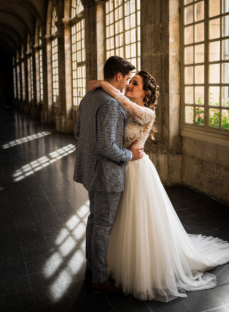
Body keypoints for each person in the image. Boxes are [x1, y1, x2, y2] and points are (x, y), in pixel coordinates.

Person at [88, 70, 229, 302]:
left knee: (137, 219)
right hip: (121, 166)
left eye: (135, 83)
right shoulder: (124, 110)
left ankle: (140, 269)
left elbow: (121, 99)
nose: (129, 86)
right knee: (117, 218)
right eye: (129, 81)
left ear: (145, 92)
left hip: (138, 170)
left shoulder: (146, 113)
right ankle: (111, 265)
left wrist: (101, 83)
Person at [73, 56, 144, 295]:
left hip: (91, 170)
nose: (126, 84)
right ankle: (99, 280)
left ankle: (92, 269)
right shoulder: (111, 104)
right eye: (126, 79)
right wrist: (129, 155)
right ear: (118, 76)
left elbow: (78, 132)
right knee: (102, 225)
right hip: (107, 174)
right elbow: (106, 146)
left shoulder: (88, 98)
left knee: (94, 220)